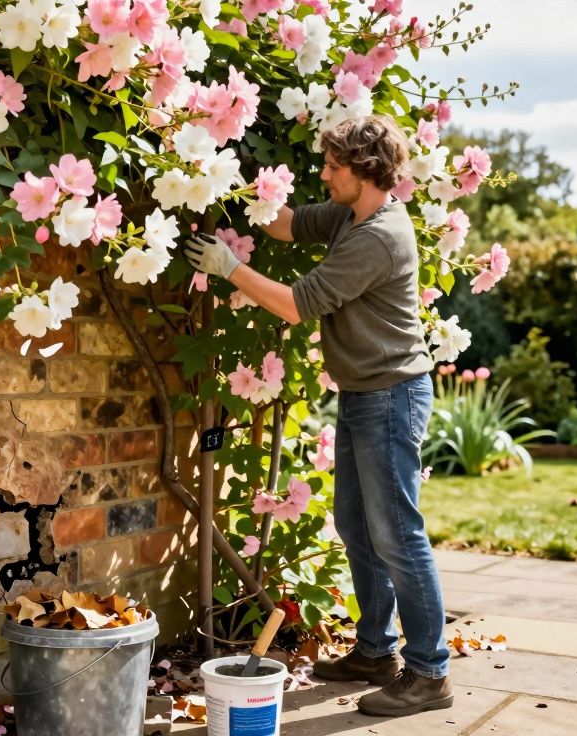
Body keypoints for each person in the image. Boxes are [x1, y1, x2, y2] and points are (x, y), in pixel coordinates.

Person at [184, 114, 451, 718]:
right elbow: (284, 223)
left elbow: (297, 304)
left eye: (334, 167)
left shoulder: (379, 236)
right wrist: (222, 182)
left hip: (392, 395)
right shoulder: (349, 214)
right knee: (357, 527)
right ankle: (375, 652)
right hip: (365, 392)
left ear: (366, 170)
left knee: (397, 534)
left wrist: (230, 267)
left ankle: (430, 673)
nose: (325, 175)